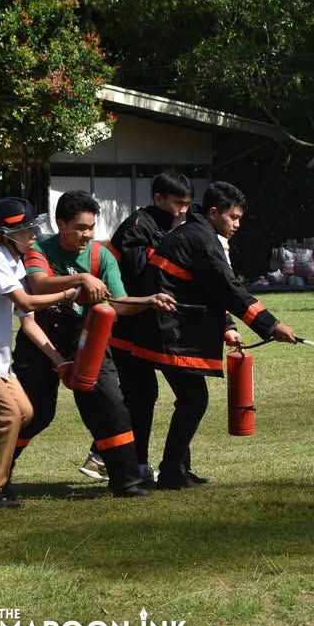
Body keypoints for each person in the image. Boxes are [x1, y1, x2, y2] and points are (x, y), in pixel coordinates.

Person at [8, 190, 176, 498]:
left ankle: (125, 481)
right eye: (80, 228)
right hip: (40, 340)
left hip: (87, 337)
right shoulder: (39, 249)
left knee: (111, 405)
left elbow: (120, 304)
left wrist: (150, 301)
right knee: (35, 412)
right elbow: (38, 284)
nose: (87, 235)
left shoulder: (103, 256)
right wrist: (82, 279)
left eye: (91, 228)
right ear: (61, 224)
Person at [131, 181, 298, 489]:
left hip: (163, 327)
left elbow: (205, 289)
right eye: (232, 217)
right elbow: (228, 288)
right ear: (213, 212)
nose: (237, 225)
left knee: (190, 398)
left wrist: (228, 329)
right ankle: (170, 472)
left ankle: (178, 468)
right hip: (168, 330)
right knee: (194, 399)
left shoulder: (194, 234)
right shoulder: (203, 240)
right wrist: (271, 325)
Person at [0, 198, 85, 507]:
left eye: (34, 227)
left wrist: (59, 360)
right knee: (8, 417)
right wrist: (69, 292)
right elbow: (25, 303)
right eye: (26, 229)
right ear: (7, 234)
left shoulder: (13, 262)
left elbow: (29, 323)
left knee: (25, 412)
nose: (34, 234)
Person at [89, 171, 192, 485]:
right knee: (141, 394)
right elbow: (142, 275)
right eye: (178, 203)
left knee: (144, 395)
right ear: (158, 198)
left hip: (148, 328)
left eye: (187, 204)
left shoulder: (167, 225)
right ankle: (112, 458)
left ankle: (142, 464)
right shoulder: (139, 226)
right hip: (126, 327)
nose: (183, 210)